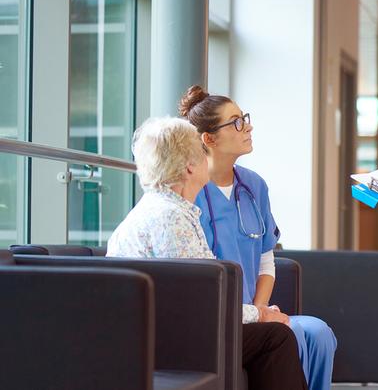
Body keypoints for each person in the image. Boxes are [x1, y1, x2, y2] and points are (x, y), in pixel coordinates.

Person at [106, 116, 308, 390]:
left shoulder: (163, 209)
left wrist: (258, 313)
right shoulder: (172, 218)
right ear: (190, 167)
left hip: (157, 331)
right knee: (276, 336)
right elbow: (207, 304)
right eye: (202, 155)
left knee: (270, 332)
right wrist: (260, 314)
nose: (207, 161)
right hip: (164, 340)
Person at [178, 86, 337, 390]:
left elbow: (267, 259)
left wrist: (260, 311)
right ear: (208, 139)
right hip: (217, 318)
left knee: (319, 333)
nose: (248, 126)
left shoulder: (254, 186)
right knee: (288, 335)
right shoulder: (190, 192)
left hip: (255, 311)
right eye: (236, 122)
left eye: (245, 118)